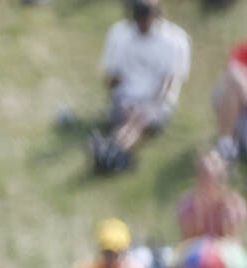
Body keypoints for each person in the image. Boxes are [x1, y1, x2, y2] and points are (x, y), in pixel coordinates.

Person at [90, 0, 191, 173]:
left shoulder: (174, 40)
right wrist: (122, 97)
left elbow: (167, 83)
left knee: (139, 120)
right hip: (126, 98)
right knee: (131, 121)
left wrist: (147, 107)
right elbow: (112, 78)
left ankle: (114, 150)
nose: (141, 24)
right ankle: (116, 150)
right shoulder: (120, 34)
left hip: (156, 102)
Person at [212, 39, 247, 163]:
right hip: (242, 109)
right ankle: (226, 146)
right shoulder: (244, 50)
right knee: (228, 88)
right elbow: (232, 71)